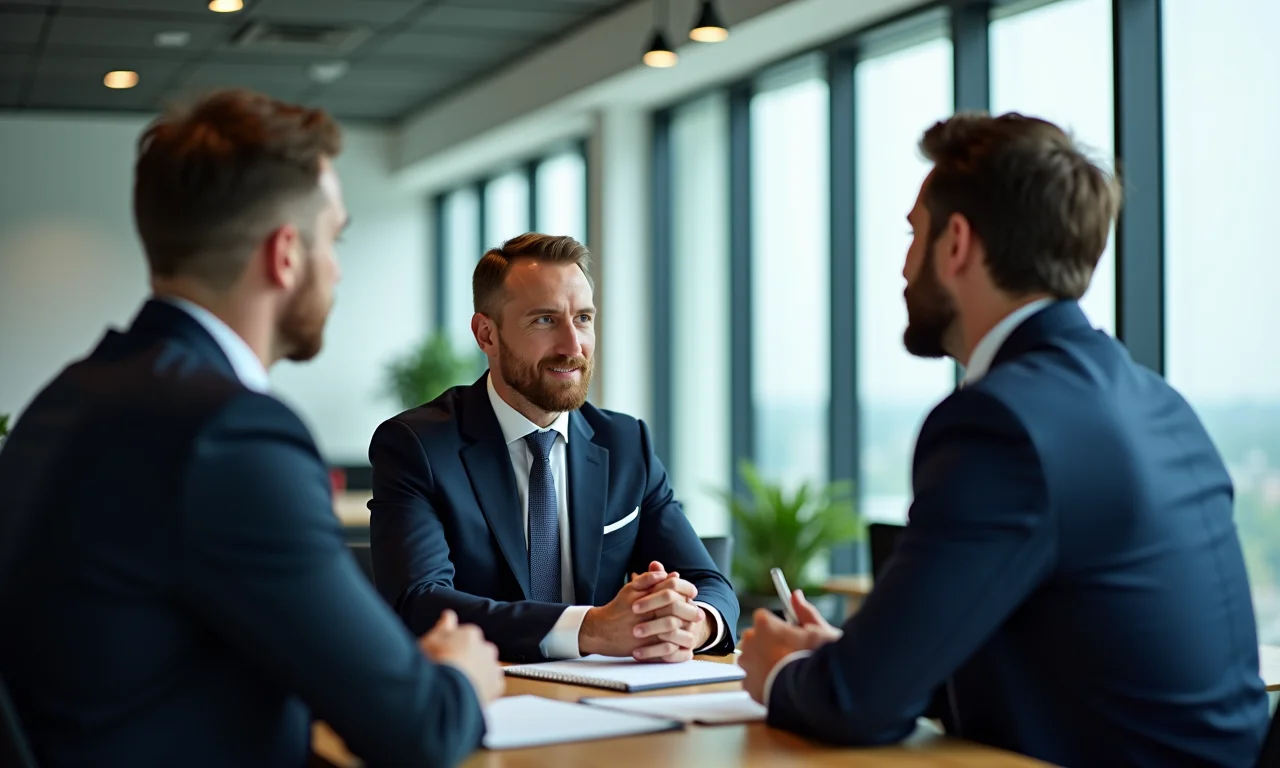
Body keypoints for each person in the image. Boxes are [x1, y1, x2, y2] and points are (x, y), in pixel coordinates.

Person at [738, 112, 1270, 767]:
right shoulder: (1157, 400)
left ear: (956, 243)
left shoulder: (1001, 424)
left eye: (914, 234)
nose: (904, 266)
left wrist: (782, 674)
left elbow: (859, 704)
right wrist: (847, 661)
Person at [0, 89, 503, 768]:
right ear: (286, 255)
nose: (338, 267)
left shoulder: (67, 397)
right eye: (335, 237)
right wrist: (460, 674)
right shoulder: (230, 433)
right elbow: (419, 728)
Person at [368, 232, 739, 663]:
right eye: (545, 320)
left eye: (583, 318)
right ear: (486, 334)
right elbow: (419, 602)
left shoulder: (625, 444)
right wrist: (590, 629)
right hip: (484, 700)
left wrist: (691, 622)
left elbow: (708, 582)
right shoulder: (418, 446)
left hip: (610, 706)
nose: (572, 346)